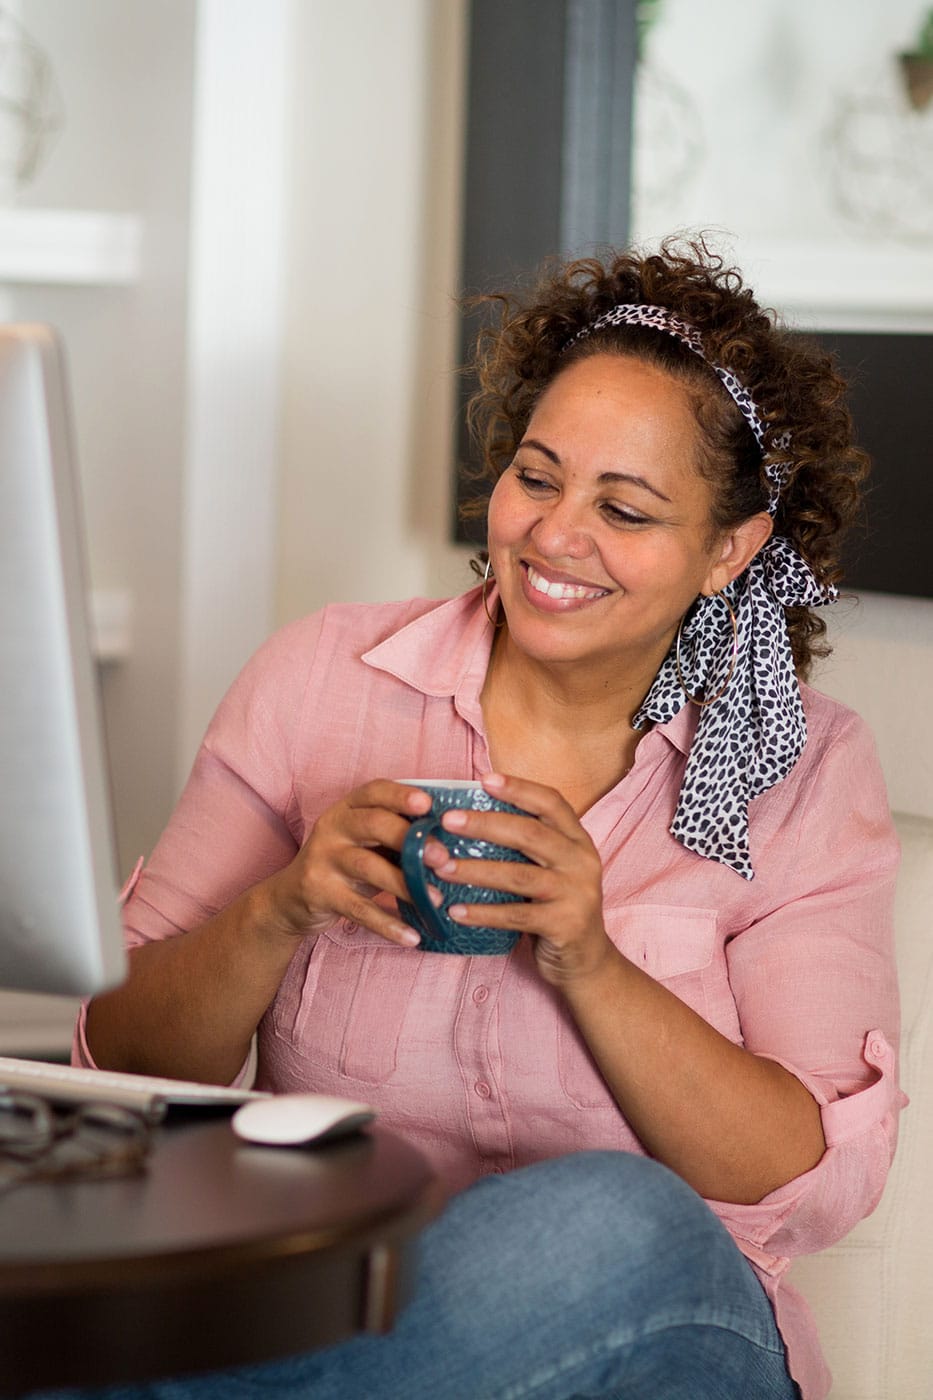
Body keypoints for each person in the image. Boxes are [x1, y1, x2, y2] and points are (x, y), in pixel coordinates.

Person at [55, 237, 903, 1400]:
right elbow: (119, 1058)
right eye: (539, 476)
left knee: (611, 1212)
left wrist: (591, 960)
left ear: (729, 549)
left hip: (666, 1341)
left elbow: (808, 1176)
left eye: (627, 507)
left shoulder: (800, 766)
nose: (556, 534)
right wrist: (279, 907)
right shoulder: (321, 680)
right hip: (339, 1305)